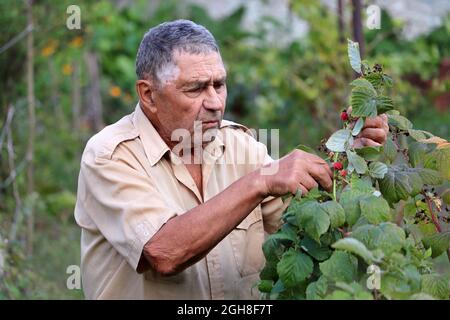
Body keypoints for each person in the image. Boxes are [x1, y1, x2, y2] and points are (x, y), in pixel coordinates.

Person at [74, 19, 389, 299]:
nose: (214, 102)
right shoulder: (110, 156)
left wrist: (350, 153)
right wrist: (259, 182)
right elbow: (164, 252)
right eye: (196, 88)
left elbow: (306, 223)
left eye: (219, 85)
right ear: (149, 95)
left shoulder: (241, 146)